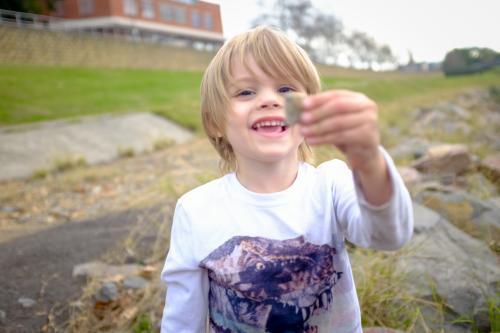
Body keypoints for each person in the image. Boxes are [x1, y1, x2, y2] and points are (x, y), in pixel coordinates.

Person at [160, 26, 413, 333]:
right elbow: (182, 322)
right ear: (215, 121)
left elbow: (389, 236)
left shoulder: (331, 184)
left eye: (286, 89)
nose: (269, 100)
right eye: (245, 91)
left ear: (310, 112)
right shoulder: (196, 209)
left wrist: (369, 160)